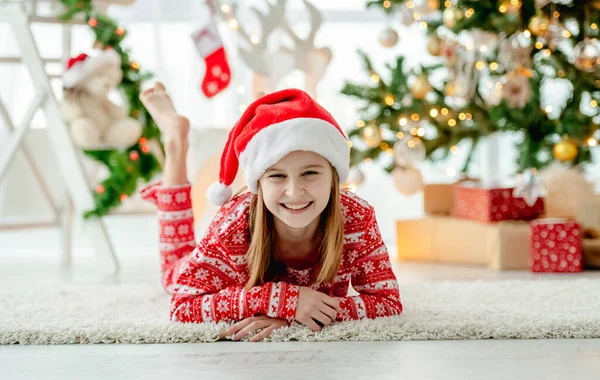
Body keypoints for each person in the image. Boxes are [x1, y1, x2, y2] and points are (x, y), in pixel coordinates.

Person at [139, 83, 403, 342]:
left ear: (334, 176)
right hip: (220, 264)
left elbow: (388, 301)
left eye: (310, 173)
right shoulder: (232, 223)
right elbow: (183, 305)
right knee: (173, 270)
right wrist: (282, 300)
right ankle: (175, 141)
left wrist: (303, 314)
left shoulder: (357, 217)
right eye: (277, 176)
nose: (294, 191)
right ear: (259, 184)